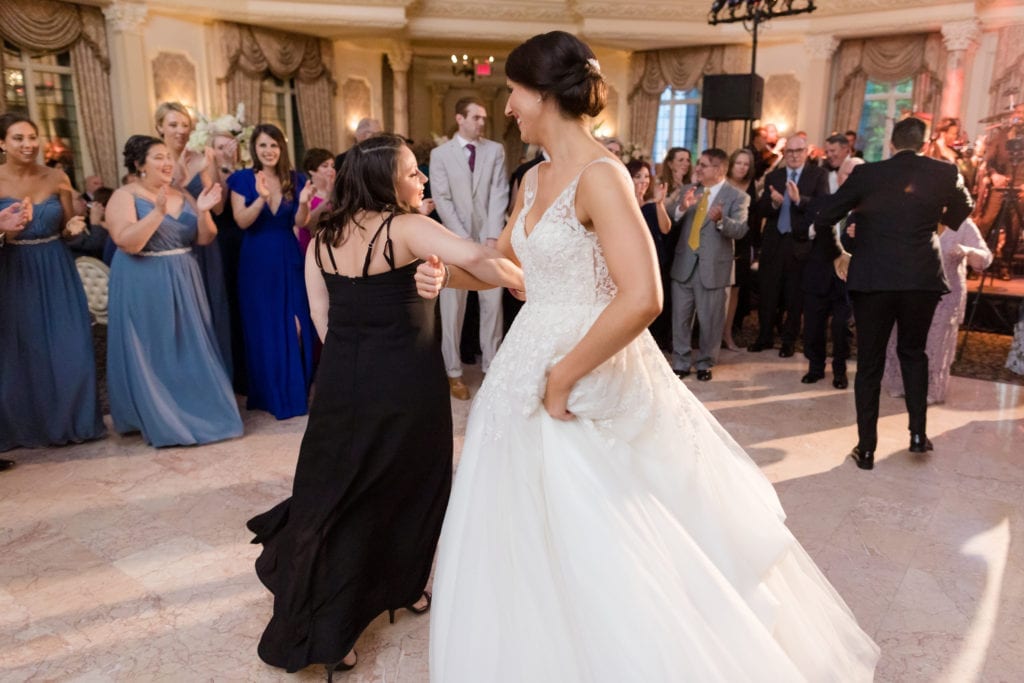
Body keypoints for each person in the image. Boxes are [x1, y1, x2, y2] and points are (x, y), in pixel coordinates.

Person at [420, 30, 879, 682]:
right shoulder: (534, 178)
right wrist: (447, 271)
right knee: (525, 528)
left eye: (515, 91)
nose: (509, 106)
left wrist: (563, 378)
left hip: (586, 371)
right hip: (527, 360)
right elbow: (505, 263)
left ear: (546, 93)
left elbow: (642, 296)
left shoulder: (601, 176)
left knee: (607, 535)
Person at [247, 133, 523, 679]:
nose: (421, 180)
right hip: (404, 382)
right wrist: (523, 281)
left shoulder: (321, 232)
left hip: (342, 381)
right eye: (413, 172)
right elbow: (482, 259)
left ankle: (343, 618)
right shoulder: (406, 226)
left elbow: (322, 317)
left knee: (335, 492)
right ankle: (387, 591)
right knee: (409, 484)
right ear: (386, 182)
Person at [812, 116, 973, 470]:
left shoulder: (868, 174)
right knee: (913, 353)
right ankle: (917, 434)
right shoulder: (943, 172)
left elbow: (823, 216)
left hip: (873, 279)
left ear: (891, 143)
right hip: (921, 278)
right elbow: (966, 207)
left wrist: (839, 252)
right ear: (926, 143)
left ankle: (866, 449)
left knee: (870, 363)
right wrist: (939, 224)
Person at [105, 135, 242, 447]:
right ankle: (161, 416)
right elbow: (128, 242)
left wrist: (205, 210)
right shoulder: (124, 196)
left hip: (185, 275)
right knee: (157, 349)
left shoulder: (182, 193)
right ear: (139, 165)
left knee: (191, 346)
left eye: (168, 157)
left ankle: (201, 409)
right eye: (158, 158)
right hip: (144, 279)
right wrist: (156, 213)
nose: (168, 163)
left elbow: (205, 238)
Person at [0, 112, 105, 454]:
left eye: (33, 137)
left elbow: (67, 228)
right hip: (13, 270)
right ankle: (27, 426)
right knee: (21, 352)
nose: (28, 145)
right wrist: (4, 231)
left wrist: (74, 230)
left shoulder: (57, 176)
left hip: (57, 267)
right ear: (2, 143)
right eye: (18, 138)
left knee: (71, 348)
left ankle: (74, 423)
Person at [228, 123, 316, 419]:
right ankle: (270, 393)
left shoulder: (295, 179)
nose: (269, 151)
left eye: (274, 145)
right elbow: (241, 221)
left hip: (289, 255)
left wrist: (303, 203)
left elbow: (301, 222)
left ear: (282, 148)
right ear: (254, 148)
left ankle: (293, 391)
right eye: (263, 145)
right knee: (264, 327)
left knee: (298, 323)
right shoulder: (243, 179)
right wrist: (262, 198)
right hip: (257, 261)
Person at [429, 97, 509, 400]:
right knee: (452, 310)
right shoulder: (440, 155)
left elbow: (499, 192)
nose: (482, 123)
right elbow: (443, 198)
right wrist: (463, 240)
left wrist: (491, 236)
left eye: (483, 118)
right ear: (459, 118)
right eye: (476, 117)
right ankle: (453, 373)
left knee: (493, 306)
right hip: (454, 243)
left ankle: (492, 369)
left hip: (489, 242)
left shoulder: (495, 150)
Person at [155, 102, 233, 375]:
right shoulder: (153, 161)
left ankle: (215, 380)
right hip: (170, 247)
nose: (180, 130)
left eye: (184, 125)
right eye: (173, 124)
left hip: (204, 246)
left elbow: (219, 208)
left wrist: (214, 166)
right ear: (159, 127)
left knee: (208, 312)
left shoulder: (201, 159)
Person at [879, 217, 992, 403]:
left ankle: (929, 390)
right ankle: (899, 384)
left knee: (935, 340)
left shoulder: (963, 224)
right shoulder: (916, 213)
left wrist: (968, 250)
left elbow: (985, 257)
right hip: (909, 290)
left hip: (945, 294)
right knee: (901, 336)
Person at [669, 148, 750, 381]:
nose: (698, 168)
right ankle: (681, 362)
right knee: (680, 319)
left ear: (720, 169)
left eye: (704, 165)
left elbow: (741, 229)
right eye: (699, 163)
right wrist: (682, 208)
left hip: (713, 269)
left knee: (711, 320)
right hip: (684, 266)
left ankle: (705, 363)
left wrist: (721, 221)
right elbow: (669, 217)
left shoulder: (737, 197)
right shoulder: (688, 190)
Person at [748, 135, 830, 357]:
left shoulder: (818, 175)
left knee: (794, 297)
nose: (793, 155)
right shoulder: (774, 175)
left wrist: (798, 200)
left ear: (806, 153)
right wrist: (773, 203)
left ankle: (788, 341)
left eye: (798, 151)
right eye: (790, 151)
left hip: (800, 245)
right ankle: (764, 337)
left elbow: (823, 206)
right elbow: (761, 208)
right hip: (774, 243)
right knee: (768, 293)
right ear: (785, 154)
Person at [801, 156, 861, 389]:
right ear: (839, 175)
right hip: (818, 275)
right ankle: (815, 368)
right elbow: (802, 232)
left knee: (841, 329)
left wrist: (862, 235)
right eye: (848, 174)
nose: (851, 179)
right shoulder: (821, 203)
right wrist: (815, 228)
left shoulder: (867, 210)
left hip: (847, 280)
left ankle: (840, 371)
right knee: (813, 327)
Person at [626, 159, 671, 348]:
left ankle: (649, 345)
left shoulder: (652, 206)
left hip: (653, 261)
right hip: (629, 262)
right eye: (638, 176)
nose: (643, 181)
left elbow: (666, 228)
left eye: (646, 176)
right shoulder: (623, 203)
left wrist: (660, 203)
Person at [723, 147, 757, 350]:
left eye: (746, 164)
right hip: (722, 239)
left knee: (735, 290)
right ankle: (708, 333)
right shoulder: (722, 183)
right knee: (717, 290)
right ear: (731, 164)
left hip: (743, 242)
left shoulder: (753, 185)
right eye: (739, 163)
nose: (742, 167)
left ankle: (727, 335)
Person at [298, 147, 336, 257]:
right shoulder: (307, 194)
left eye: (332, 166)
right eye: (325, 166)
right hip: (313, 247)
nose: (331, 170)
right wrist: (329, 196)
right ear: (311, 171)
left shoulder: (339, 193)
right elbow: (308, 224)